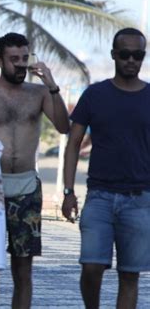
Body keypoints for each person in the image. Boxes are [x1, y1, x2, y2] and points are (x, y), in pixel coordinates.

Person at [0, 33, 69, 308]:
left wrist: (52, 85)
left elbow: (65, 127)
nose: (20, 64)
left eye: (24, 58)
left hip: (27, 187)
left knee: (23, 268)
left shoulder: (39, 93)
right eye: (13, 59)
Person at [62, 28, 150, 309]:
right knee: (90, 268)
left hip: (140, 200)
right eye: (125, 54)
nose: (131, 60)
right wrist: (68, 191)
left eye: (138, 55)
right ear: (114, 55)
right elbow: (73, 144)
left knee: (129, 276)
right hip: (99, 196)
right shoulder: (94, 95)